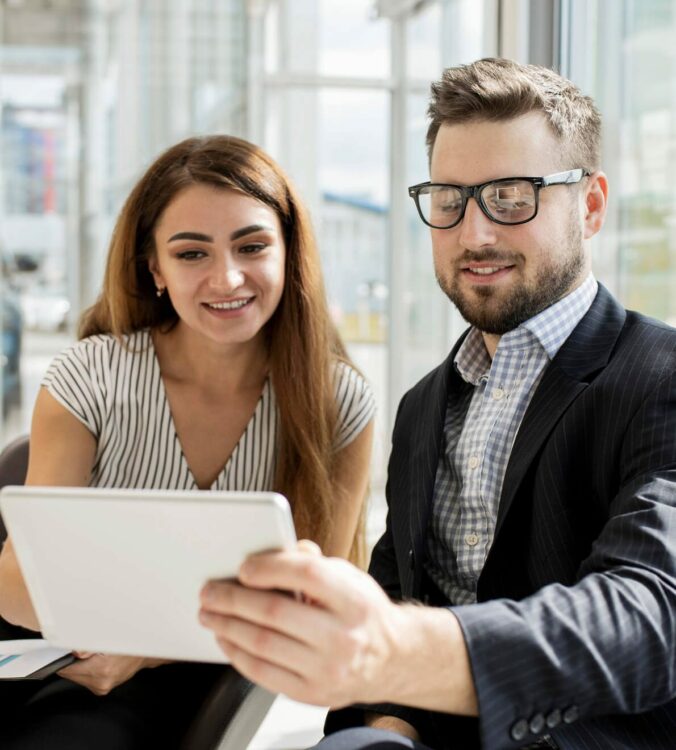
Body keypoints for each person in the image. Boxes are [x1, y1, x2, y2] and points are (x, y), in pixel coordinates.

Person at [198, 58, 676, 750]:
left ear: (592, 206)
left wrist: (398, 647)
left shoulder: (660, 378)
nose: (475, 234)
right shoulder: (423, 407)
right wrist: (386, 733)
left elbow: (651, 612)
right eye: (449, 199)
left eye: (512, 196)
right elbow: (397, 592)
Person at [0, 134, 375, 749]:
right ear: (155, 269)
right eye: (191, 253)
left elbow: (315, 614)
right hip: (65, 666)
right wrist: (120, 636)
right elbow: (14, 583)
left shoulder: (339, 406)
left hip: (207, 682)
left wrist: (146, 652)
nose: (226, 277)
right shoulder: (88, 377)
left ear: (288, 253)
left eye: (251, 246)